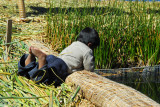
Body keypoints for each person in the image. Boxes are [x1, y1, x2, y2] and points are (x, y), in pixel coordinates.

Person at [18, 27, 100, 87]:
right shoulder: (87, 50)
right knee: (42, 79)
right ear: (90, 44)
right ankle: (41, 57)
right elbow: (89, 69)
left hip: (53, 58)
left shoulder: (74, 43)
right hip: (61, 66)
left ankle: (31, 55)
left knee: (29, 72)